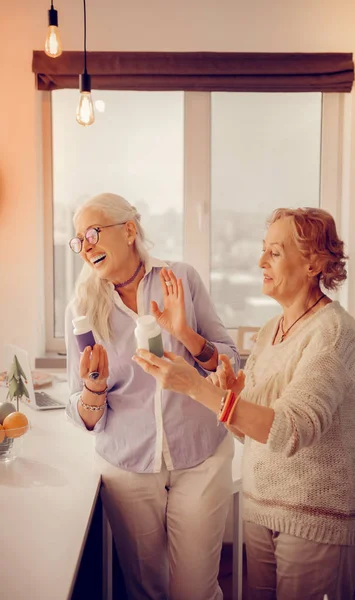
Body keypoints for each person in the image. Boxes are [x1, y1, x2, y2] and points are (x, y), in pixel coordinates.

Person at [134, 207, 355, 600]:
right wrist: (229, 395)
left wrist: (196, 387)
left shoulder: (333, 334)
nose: (260, 261)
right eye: (263, 250)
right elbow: (253, 431)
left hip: (317, 515)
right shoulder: (270, 331)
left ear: (313, 262)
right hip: (262, 506)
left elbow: (289, 430)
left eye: (274, 253)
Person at [65, 192, 239, 600]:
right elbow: (82, 412)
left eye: (92, 233)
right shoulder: (84, 308)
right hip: (128, 467)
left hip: (201, 459)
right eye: (78, 241)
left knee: (195, 590)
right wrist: (93, 387)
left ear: (128, 230)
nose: (85, 246)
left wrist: (187, 337)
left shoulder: (179, 280)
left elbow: (230, 363)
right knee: (147, 590)